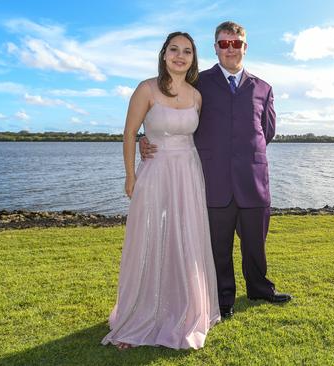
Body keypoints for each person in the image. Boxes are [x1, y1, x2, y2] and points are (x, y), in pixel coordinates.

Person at [140, 21, 292, 320]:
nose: (230, 49)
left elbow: (267, 131)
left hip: (253, 179)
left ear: (245, 47)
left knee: (255, 244)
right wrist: (147, 138)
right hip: (212, 179)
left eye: (236, 43)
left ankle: (260, 288)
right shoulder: (198, 83)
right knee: (217, 247)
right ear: (216, 48)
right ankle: (223, 298)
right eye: (224, 44)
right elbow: (172, 115)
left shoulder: (263, 88)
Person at [101, 31, 220, 350]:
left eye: (187, 51)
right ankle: (137, 316)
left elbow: (200, 136)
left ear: (193, 59)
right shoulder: (146, 88)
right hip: (155, 172)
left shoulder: (196, 95)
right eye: (174, 50)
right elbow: (129, 134)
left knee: (186, 238)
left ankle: (185, 310)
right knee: (151, 237)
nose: (180, 56)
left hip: (188, 172)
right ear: (164, 54)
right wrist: (130, 176)